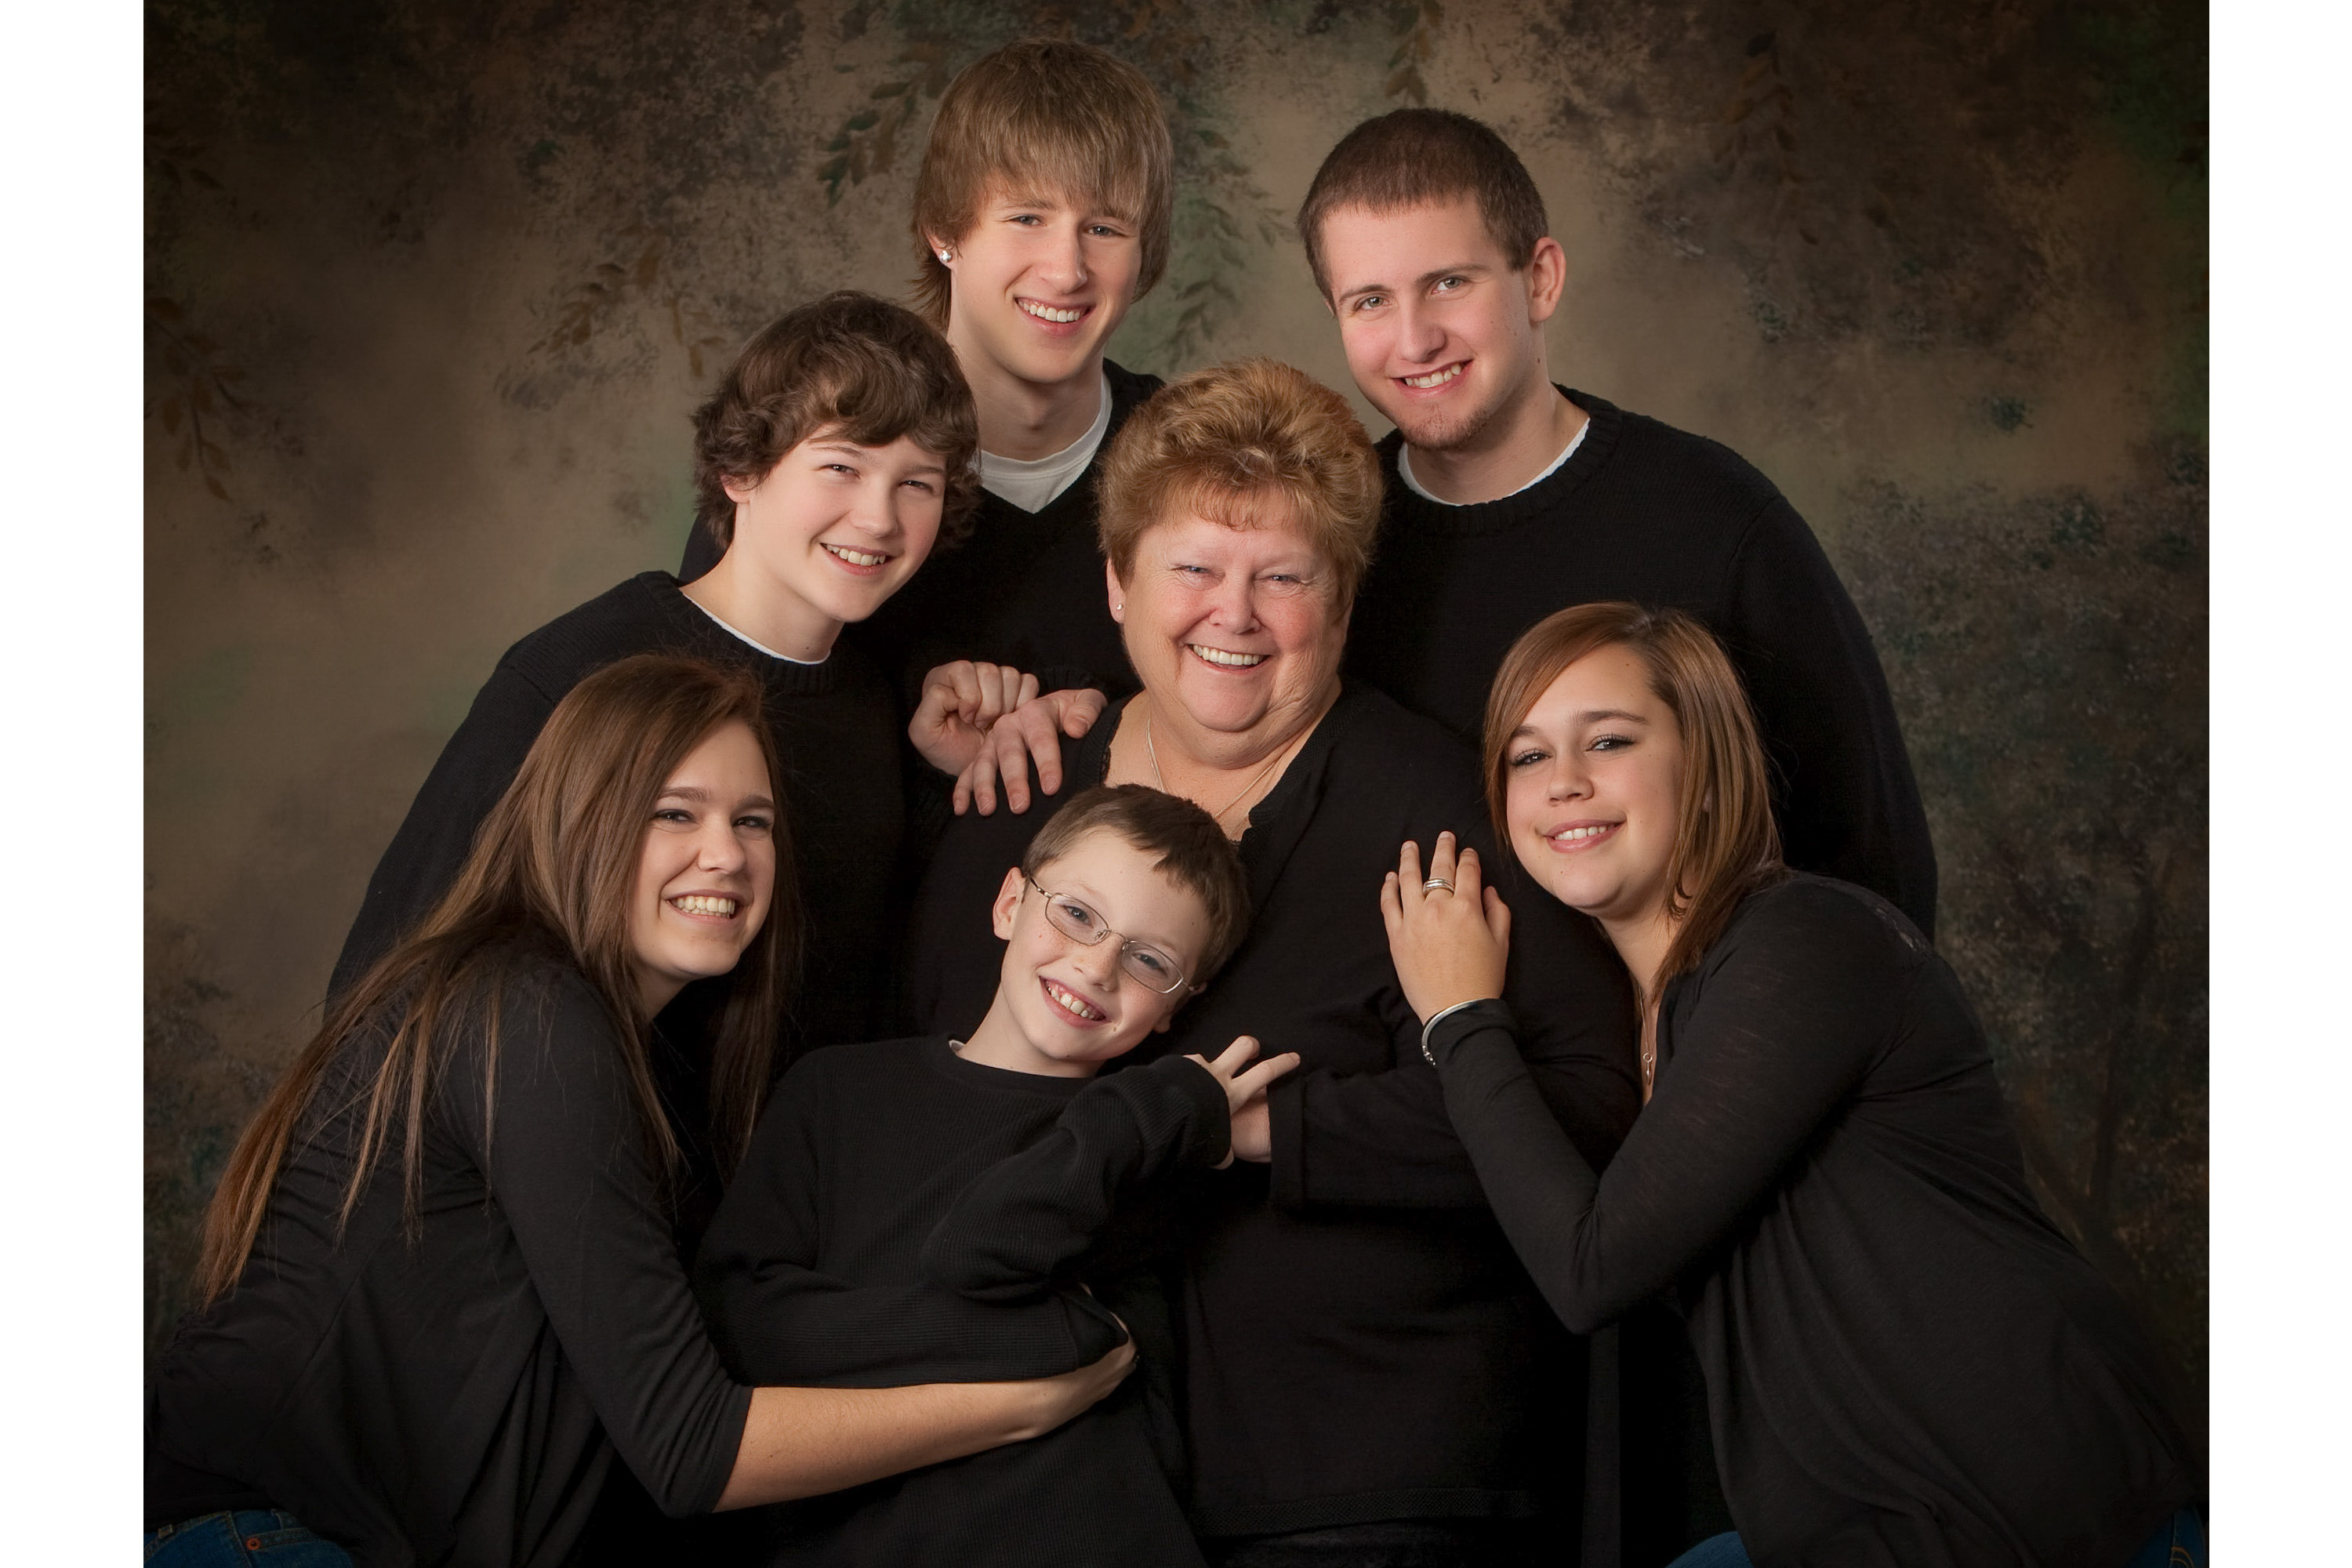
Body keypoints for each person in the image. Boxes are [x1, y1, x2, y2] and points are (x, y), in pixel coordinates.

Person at [147, 655, 1134, 1568]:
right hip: (251, 1535)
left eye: (753, 822)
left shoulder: (647, 1068)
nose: (727, 854)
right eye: (675, 812)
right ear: (582, 819)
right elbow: (690, 1443)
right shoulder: (521, 1011)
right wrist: (1020, 1403)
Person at [904, 359, 1639, 1566]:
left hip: (1358, 1472)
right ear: (1119, 584)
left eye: (1283, 578)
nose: (1232, 617)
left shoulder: (1442, 812)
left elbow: (1587, 1102)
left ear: (1343, 606)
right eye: (1193, 568)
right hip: (1038, 1462)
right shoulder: (1021, 794)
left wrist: (1248, 1127)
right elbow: (925, 1078)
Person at [1380, 603, 2203, 1568]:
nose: (1564, 782)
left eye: (1608, 739)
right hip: (1866, 1526)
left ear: (1704, 759)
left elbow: (1591, 1266)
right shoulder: (1657, 1010)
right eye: (1526, 756)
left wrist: (1460, 1018)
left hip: (2042, 1499)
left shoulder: (1802, 943)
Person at [1293, 107, 1937, 941]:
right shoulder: (1330, 543)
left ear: (1541, 279)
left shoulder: (1714, 517)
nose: (1414, 339)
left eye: (1450, 282)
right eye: (1370, 300)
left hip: (1702, 1052)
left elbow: (1869, 858)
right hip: (1427, 1050)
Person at [333, 290, 978, 1078]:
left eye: (917, 483)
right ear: (741, 470)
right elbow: (391, 981)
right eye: (841, 466)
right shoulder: (579, 670)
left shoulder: (877, 711)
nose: (878, 517)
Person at [695, 784, 1294, 1566]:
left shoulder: (1140, 1146)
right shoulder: (836, 1090)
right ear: (1012, 901)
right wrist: (1049, 1331)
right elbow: (745, 1327)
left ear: (1177, 1007)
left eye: (1151, 960)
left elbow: (978, 1249)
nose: (1096, 963)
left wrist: (1143, 1110)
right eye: (1077, 912)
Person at [682, 38, 1175, 807]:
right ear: (945, 231)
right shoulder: (811, 463)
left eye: (1105, 228)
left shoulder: (1187, 462)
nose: (1067, 268)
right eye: (1026, 217)